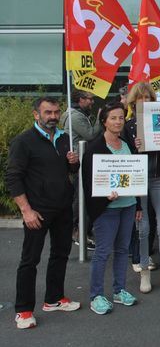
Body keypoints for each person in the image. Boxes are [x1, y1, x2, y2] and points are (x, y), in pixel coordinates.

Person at [6, 97, 81, 329]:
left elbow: (70, 171)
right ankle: (24, 310)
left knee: (60, 254)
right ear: (36, 115)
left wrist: (73, 162)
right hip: (37, 211)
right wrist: (26, 210)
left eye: (56, 112)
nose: (53, 117)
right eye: (48, 112)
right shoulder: (24, 142)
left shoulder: (63, 138)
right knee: (30, 260)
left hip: (62, 208)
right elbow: (13, 177)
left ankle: (54, 299)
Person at [82, 102, 140, 315]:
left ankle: (119, 290)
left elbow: (136, 176)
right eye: (113, 118)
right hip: (107, 208)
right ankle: (96, 295)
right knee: (103, 252)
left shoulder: (127, 143)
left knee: (123, 250)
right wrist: (103, 194)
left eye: (121, 118)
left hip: (128, 205)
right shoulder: (94, 148)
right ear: (104, 121)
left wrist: (139, 204)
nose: (118, 122)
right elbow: (88, 183)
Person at [125, 82, 160, 293]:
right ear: (133, 102)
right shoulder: (128, 126)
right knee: (143, 229)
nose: (144, 102)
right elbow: (120, 157)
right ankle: (144, 271)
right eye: (140, 98)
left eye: (148, 98)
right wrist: (133, 149)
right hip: (139, 180)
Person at [59, 88, 102, 246]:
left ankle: (82, 230)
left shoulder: (78, 114)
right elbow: (90, 134)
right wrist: (99, 119)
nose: (92, 101)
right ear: (80, 100)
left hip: (82, 160)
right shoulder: (75, 117)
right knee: (81, 197)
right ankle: (77, 231)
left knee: (82, 196)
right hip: (79, 161)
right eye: (89, 98)